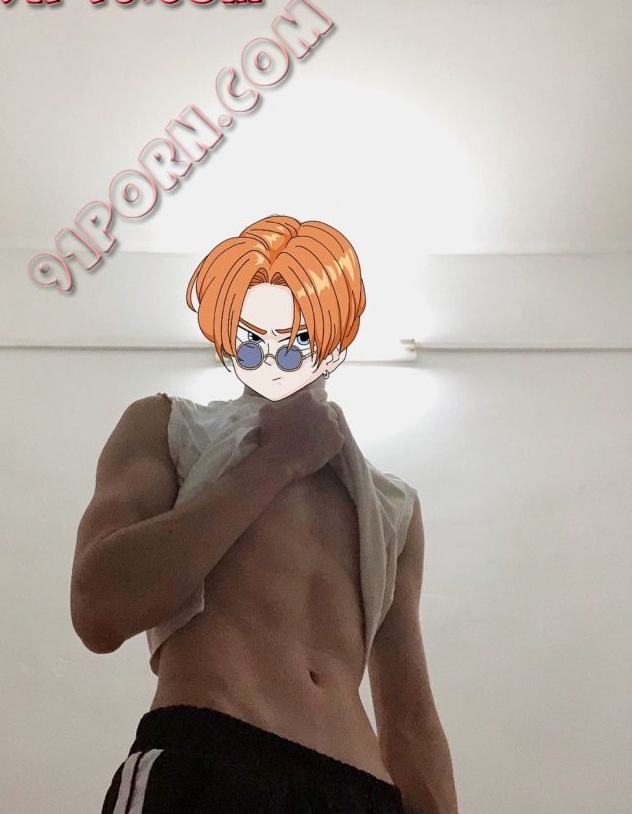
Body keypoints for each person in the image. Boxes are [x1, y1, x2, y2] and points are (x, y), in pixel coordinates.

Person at [71, 216, 458, 812]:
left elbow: (410, 717)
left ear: (336, 337)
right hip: (210, 760)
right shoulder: (169, 426)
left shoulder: (391, 505)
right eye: (252, 340)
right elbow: (99, 608)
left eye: (298, 337)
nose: (275, 357)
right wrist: (276, 462)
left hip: (360, 792)